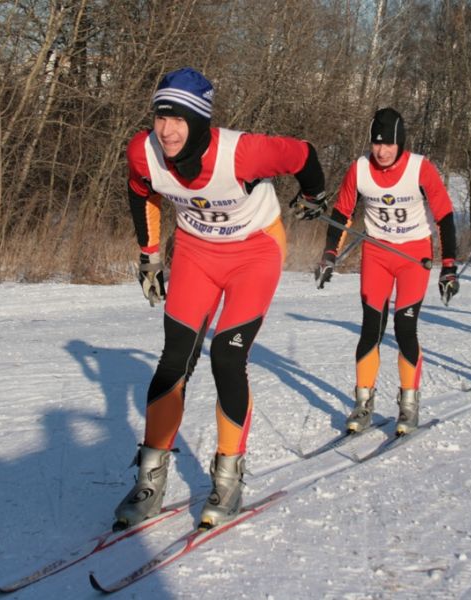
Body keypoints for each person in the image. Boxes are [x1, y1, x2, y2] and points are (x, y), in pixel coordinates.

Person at [117, 67, 327, 530]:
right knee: (174, 359)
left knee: (227, 361)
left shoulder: (242, 152)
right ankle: (150, 480)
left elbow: (303, 154)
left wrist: (314, 194)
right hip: (196, 253)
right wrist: (149, 255)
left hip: (255, 251)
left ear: (199, 120)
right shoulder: (143, 152)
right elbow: (139, 190)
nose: (167, 130)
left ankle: (228, 476)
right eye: (159, 117)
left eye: (179, 119)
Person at [315, 108, 458, 436]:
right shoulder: (360, 170)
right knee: (371, 327)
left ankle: (408, 404)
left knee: (405, 328)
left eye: (388, 144)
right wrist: (329, 254)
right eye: (376, 143)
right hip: (377, 254)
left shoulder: (420, 168)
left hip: (413, 255)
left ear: (400, 143)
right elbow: (341, 212)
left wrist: (448, 265)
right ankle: (363, 402)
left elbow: (445, 215)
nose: (381, 151)